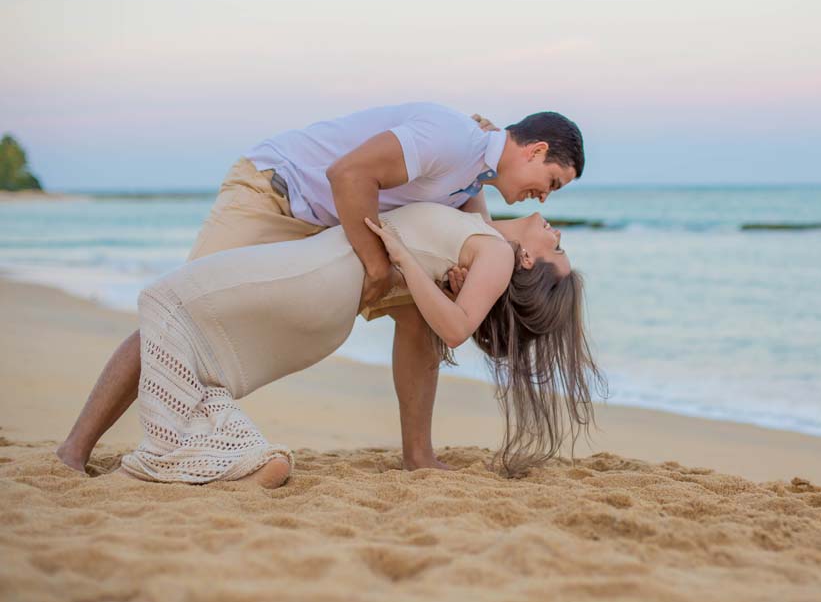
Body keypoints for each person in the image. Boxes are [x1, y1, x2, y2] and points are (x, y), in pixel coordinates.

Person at [57, 102, 586, 474]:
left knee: (418, 317)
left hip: (336, 230)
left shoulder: (473, 181)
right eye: (553, 181)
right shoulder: (452, 137)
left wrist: (458, 279)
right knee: (180, 319)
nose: (545, 197)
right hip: (278, 195)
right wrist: (380, 269)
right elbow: (348, 173)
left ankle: (418, 455)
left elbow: (483, 242)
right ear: (536, 149)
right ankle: (75, 451)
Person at [119, 202, 604, 487]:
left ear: (525, 263)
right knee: (186, 332)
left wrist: (404, 259)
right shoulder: (485, 235)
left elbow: (456, 328)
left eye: (556, 249)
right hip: (325, 284)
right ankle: (225, 461)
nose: (558, 233)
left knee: (163, 299)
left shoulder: (496, 253)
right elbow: (477, 183)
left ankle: (182, 458)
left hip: (323, 279)